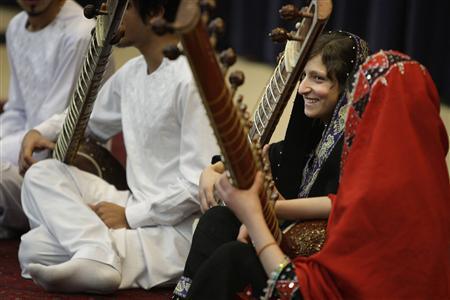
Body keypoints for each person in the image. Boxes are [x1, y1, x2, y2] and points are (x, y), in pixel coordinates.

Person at [191, 50, 450, 299]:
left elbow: (297, 292)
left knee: (232, 258)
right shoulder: (423, 189)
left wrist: (255, 218)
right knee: (224, 235)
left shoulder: (384, 197)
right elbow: (342, 205)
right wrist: (218, 174)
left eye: (361, 106)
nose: (353, 120)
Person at [17, 0, 218, 294]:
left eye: (121, 8)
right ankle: (97, 253)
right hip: (133, 204)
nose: (109, 16)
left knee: (37, 250)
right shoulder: (132, 73)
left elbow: (196, 184)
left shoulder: (191, 79)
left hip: (176, 231)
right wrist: (40, 131)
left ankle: (96, 254)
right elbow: (88, 120)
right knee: (41, 180)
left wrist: (129, 217)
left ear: (156, 12)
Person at [173, 31, 369, 298]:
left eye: (318, 78)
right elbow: (269, 153)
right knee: (217, 219)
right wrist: (214, 169)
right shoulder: (316, 130)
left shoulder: (359, 141)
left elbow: (341, 203)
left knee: (232, 256)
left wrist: (267, 209)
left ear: (347, 85)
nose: (302, 88)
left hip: (322, 255)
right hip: (287, 233)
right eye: (303, 76)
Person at [0, 0, 94, 237]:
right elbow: (16, 111)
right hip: (21, 156)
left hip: (65, 165)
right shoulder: (16, 26)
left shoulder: (81, 32)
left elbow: (51, 129)